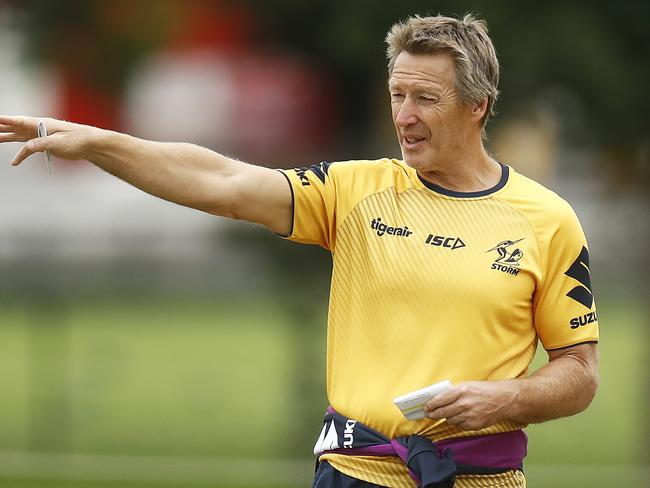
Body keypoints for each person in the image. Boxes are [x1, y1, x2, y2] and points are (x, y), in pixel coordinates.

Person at [1, 13, 599, 488]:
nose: (404, 116)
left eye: (425, 99)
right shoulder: (355, 191)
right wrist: (100, 143)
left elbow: (578, 374)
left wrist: (504, 397)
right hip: (351, 474)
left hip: (478, 480)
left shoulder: (547, 221)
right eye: (397, 94)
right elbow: (225, 183)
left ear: (478, 106)